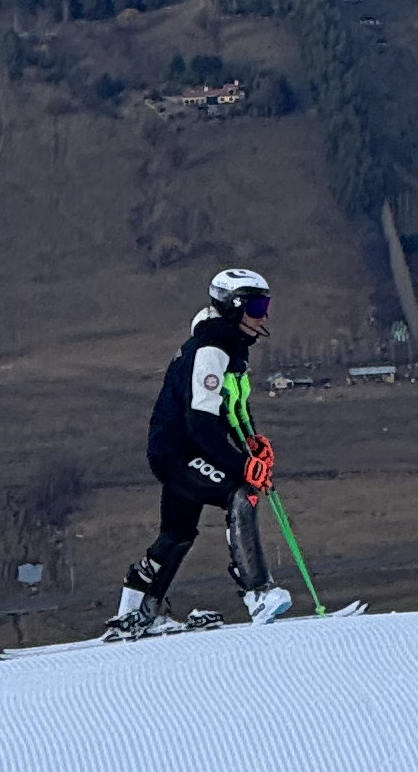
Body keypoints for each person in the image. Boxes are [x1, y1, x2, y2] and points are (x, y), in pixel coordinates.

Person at [109, 265, 294, 636]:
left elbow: (229, 409)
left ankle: (135, 610)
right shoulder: (211, 351)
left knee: (178, 532)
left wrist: (252, 443)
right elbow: (201, 423)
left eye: (266, 305)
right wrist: (243, 466)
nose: (264, 316)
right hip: (180, 452)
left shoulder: (229, 348)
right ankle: (258, 592)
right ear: (234, 308)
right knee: (241, 494)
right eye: (257, 307)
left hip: (183, 450)